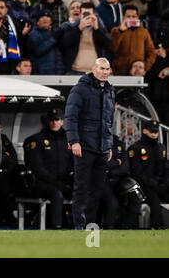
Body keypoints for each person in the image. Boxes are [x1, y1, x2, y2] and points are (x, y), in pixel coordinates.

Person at [64, 58, 115, 229]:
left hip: (102, 148)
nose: (105, 72)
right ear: (93, 69)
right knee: (81, 188)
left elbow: (109, 121)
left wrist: (109, 145)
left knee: (97, 190)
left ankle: (91, 225)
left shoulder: (109, 91)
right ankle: (79, 225)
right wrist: (74, 141)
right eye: (102, 68)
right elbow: (70, 118)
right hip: (84, 147)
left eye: (108, 69)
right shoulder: (80, 89)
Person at [25, 109, 73, 229]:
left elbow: (73, 163)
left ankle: (79, 225)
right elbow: (37, 168)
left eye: (57, 119)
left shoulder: (69, 140)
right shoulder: (38, 140)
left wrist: (70, 180)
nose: (54, 122)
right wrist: (57, 183)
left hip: (63, 182)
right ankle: (56, 226)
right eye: (51, 119)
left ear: (62, 121)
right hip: (43, 183)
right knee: (56, 194)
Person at [128, 120, 168, 229]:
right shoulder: (135, 148)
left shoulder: (161, 148)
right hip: (144, 187)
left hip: (159, 185)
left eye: (156, 132)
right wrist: (153, 184)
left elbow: (165, 168)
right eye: (152, 132)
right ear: (144, 131)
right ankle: (157, 228)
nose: (154, 134)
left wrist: (164, 183)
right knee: (155, 204)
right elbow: (136, 172)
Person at [57, 2, 111, 74]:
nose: (87, 16)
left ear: (94, 15)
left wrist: (97, 29)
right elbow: (65, 45)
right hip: (74, 71)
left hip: (95, 72)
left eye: (89, 14)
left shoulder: (99, 29)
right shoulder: (71, 28)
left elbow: (107, 45)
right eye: (84, 14)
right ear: (80, 15)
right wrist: (79, 29)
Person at [0, 0, 30, 74]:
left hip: (11, 66)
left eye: (1, 7)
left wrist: (23, 35)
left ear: (6, 10)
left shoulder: (15, 25)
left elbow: (22, 46)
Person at [110, 5, 156, 75]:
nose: (131, 19)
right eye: (128, 16)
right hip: (119, 72)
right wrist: (120, 31)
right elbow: (112, 48)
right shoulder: (115, 31)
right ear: (123, 17)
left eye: (133, 16)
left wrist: (144, 66)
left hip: (137, 73)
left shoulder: (144, 32)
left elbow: (151, 53)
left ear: (137, 18)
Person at [27, 9, 65, 75]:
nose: (45, 18)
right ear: (37, 22)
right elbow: (38, 51)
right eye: (42, 17)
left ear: (51, 21)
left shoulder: (57, 33)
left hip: (58, 73)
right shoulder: (33, 34)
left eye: (47, 17)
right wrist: (53, 39)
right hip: (41, 73)